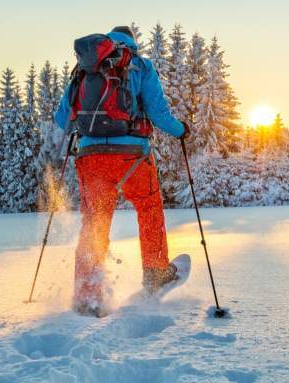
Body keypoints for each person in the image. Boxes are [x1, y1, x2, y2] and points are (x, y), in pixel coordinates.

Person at [54, 26, 189, 317]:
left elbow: (62, 118)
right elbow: (157, 112)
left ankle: (87, 295)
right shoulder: (139, 64)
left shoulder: (85, 68)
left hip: (91, 158)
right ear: (132, 43)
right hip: (132, 157)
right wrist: (181, 131)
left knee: (94, 223)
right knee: (149, 207)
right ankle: (155, 272)